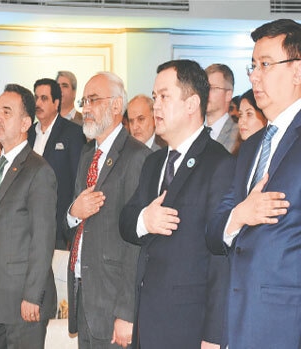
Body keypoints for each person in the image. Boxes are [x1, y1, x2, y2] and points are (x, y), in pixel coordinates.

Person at [121, 59, 231, 349]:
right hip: (146, 321)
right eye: (155, 97)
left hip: (188, 326)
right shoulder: (154, 162)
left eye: (165, 97)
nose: (155, 105)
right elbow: (126, 222)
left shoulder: (219, 163)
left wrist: (213, 335)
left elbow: (221, 258)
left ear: (192, 103)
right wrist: (146, 219)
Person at [207, 18, 301, 348]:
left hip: (286, 325)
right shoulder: (250, 146)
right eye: (252, 66)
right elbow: (215, 229)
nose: (254, 76)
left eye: (265, 64)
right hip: (239, 321)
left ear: (297, 71)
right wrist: (240, 215)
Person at [0, 83, 57, 349]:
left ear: (25, 123)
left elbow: (43, 240)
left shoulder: (38, 171)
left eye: (7, 112)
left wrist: (33, 295)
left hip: (23, 301)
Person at [66, 72, 148, 348]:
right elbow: (78, 217)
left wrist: (126, 312)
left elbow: (136, 241)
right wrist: (73, 212)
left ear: (116, 106)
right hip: (85, 295)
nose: (85, 108)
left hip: (114, 303)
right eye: (83, 101)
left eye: (92, 100)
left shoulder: (137, 157)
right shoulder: (87, 155)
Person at [28, 78, 86, 250]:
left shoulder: (73, 133)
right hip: (28, 225)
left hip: (58, 227)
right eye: (36, 98)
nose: (38, 103)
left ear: (56, 102)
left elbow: (78, 179)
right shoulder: (28, 133)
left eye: (44, 98)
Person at [205, 63, 240, 153]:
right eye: (204, 88)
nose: (206, 93)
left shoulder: (238, 134)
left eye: (212, 88)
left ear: (228, 94)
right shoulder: (193, 131)